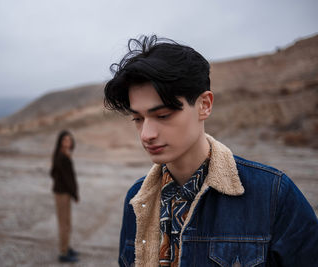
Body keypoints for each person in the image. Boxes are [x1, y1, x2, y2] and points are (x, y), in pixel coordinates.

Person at [104, 35, 318, 266]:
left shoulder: (273, 194)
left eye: (163, 115)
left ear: (204, 105)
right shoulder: (137, 199)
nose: (146, 134)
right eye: (138, 118)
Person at [50, 130, 80, 263]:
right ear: (60, 142)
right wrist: (75, 194)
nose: (68, 142)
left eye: (69, 140)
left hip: (64, 192)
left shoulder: (62, 154)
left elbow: (53, 173)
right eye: (65, 140)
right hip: (62, 194)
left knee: (67, 222)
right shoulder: (62, 157)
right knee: (64, 224)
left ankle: (67, 247)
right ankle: (63, 253)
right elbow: (68, 179)